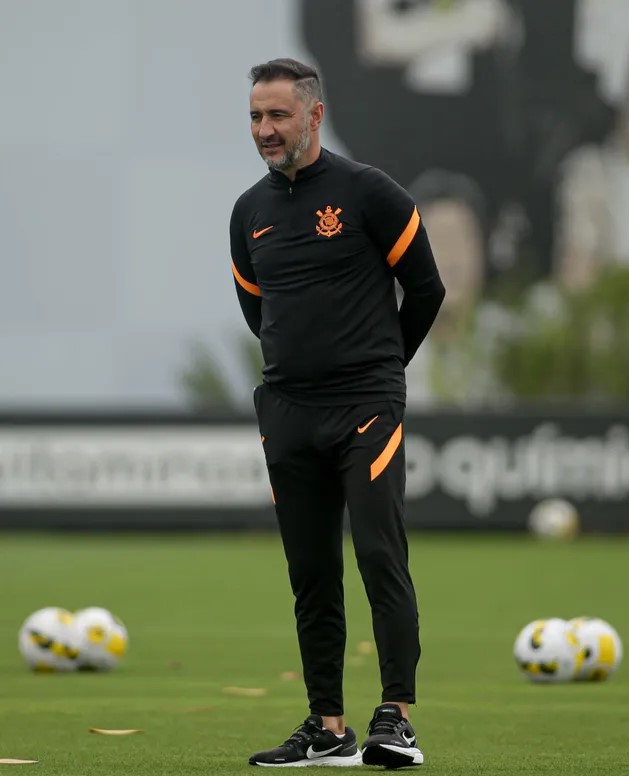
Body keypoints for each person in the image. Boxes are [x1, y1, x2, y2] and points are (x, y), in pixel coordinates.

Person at [229, 57, 445, 769]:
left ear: (313, 116)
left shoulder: (368, 193)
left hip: (365, 408)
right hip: (288, 411)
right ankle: (327, 726)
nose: (265, 128)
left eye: (278, 115)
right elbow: (260, 313)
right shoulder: (248, 213)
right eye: (257, 115)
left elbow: (427, 289)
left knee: (381, 557)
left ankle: (396, 719)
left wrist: (382, 369)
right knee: (311, 572)